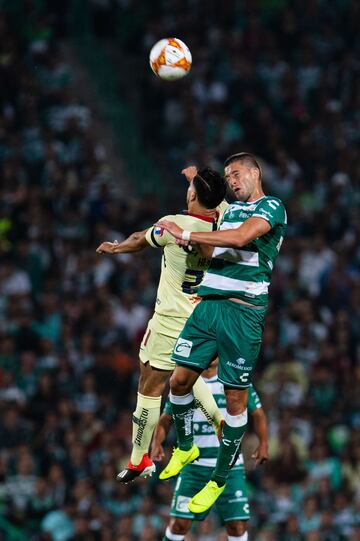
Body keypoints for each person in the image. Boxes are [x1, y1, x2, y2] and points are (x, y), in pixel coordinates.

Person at [155, 152, 287, 512]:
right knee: (178, 382)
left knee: (234, 402)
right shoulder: (229, 209)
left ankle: (218, 479)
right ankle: (185, 447)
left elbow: (243, 237)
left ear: (255, 172)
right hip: (209, 306)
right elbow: (215, 199)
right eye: (227, 176)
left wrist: (185, 232)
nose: (231, 179)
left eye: (236, 173)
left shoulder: (272, 207)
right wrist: (195, 178)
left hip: (243, 315)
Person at [96, 166, 227, 482]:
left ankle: (138, 458)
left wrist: (117, 248)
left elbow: (141, 239)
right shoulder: (224, 222)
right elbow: (218, 201)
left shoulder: (174, 226)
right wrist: (196, 179)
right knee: (185, 375)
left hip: (170, 320)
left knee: (150, 386)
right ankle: (219, 422)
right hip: (204, 317)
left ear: (192, 195)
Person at [151, 359, 268, 541]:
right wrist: (156, 442)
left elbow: (258, 414)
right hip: (194, 467)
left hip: (230, 467)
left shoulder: (234, 379)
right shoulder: (187, 380)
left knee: (237, 526)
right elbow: (166, 418)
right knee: (179, 524)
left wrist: (264, 443)